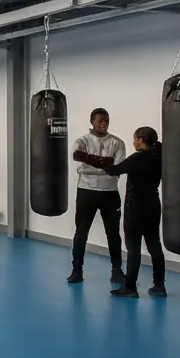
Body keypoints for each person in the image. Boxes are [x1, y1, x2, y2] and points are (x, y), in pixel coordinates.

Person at [89, 127, 167, 298]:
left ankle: (130, 287)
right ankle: (159, 286)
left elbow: (114, 170)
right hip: (153, 204)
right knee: (154, 243)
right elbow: (159, 145)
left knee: (133, 247)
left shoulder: (137, 159)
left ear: (140, 139)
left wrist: (99, 161)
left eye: (135, 139)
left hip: (136, 207)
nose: (133, 143)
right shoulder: (160, 155)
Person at [68, 107, 126, 286]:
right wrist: (103, 162)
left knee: (113, 233)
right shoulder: (83, 140)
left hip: (109, 192)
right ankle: (77, 270)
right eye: (100, 120)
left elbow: (117, 167)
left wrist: (90, 160)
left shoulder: (117, 143)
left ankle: (117, 270)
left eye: (106, 120)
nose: (104, 123)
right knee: (81, 232)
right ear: (92, 122)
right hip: (86, 190)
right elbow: (77, 155)